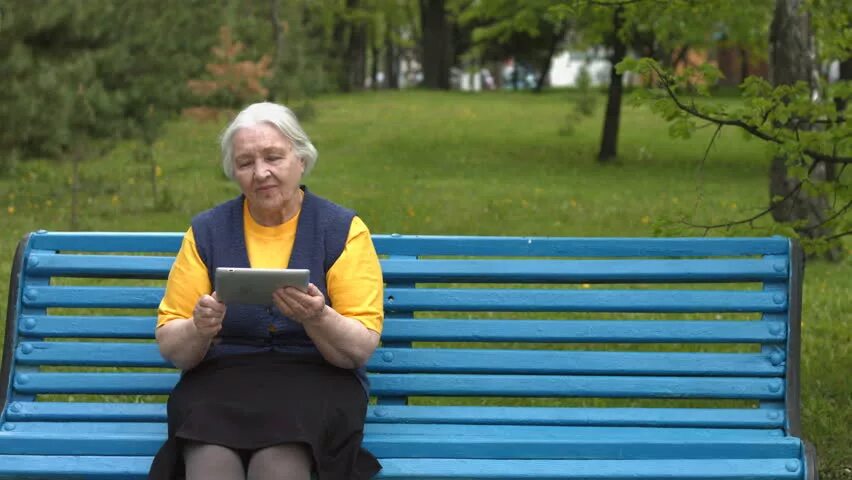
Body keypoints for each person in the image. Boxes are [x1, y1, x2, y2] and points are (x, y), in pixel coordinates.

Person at [148, 102, 384, 480]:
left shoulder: (342, 230)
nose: (262, 173)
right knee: (211, 464)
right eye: (245, 163)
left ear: (301, 159)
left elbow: (358, 348)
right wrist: (199, 328)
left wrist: (318, 317)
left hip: (316, 380)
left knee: (276, 464)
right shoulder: (207, 232)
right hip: (221, 382)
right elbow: (173, 348)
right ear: (234, 172)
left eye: (273, 157)